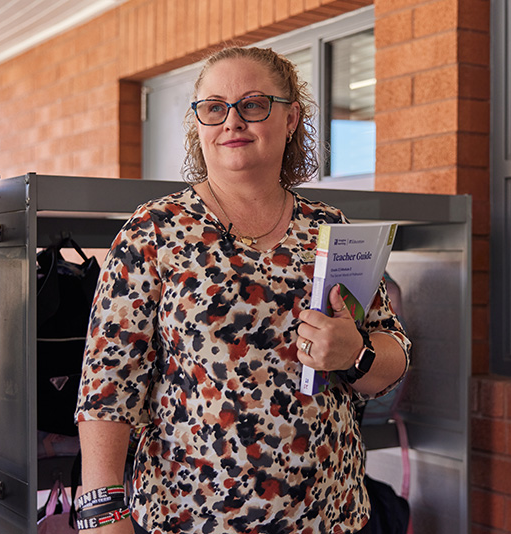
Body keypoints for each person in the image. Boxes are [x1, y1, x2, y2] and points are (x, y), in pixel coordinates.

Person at [75, 46, 411, 534]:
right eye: (214, 108)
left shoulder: (330, 230)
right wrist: (103, 513)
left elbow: (392, 355)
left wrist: (355, 353)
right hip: (191, 520)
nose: (232, 122)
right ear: (199, 123)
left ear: (292, 117)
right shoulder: (154, 231)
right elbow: (108, 383)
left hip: (330, 516)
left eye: (253, 104)